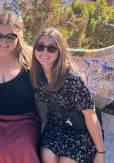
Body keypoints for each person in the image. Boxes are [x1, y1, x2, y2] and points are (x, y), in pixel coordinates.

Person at [30, 28, 105, 163]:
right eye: (40, 46)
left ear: (60, 51)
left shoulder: (71, 79)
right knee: (47, 156)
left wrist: (101, 152)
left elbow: (90, 115)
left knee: (67, 161)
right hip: (56, 125)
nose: (44, 52)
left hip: (80, 129)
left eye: (51, 48)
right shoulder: (37, 74)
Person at [0, 11, 41, 163]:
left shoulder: (31, 58)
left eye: (10, 37)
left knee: (26, 148)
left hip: (24, 120)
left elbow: (57, 63)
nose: (3, 42)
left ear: (19, 36)